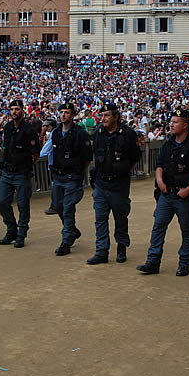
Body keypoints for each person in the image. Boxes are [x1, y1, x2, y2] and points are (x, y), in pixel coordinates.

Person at [136, 109, 189, 276]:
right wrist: (160, 182)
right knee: (158, 227)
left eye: (175, 122)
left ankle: (185, 262)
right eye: (171, 121)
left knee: (187, 229)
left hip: (184, 195)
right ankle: (153, 261)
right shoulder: (168, 143)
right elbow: (160, 164)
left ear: (185, 125)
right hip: (166, 193)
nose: (171, 124)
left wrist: (188, 190)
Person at [87, 101, 140, 265]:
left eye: (107, 115)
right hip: (101, 182)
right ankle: (101, 251)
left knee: (120, 217)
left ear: (116, 117)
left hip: (119, 184)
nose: (103, 118)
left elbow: (135, 158)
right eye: (102, 115)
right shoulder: (99, 132)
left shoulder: (127, 133)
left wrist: (122, 171)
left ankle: (121, 246)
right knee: (100, 218)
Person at [51, 101, 92, 256]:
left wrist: (79, 173)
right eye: (61, 112)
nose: (63, 115)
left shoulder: (80, 133)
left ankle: (66, 240)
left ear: (73, 115)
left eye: (67, 112)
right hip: (58, 175)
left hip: (72, 176)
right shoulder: (55, 133)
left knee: (68, 208)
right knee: (59, 207)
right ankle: (72, 231)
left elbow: (87, 157)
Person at [0, 99, 40, 248]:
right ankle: (11, 229)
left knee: (22, 204)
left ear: (23, 110)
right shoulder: (8, 127)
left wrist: (27, 166)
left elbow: (36, 154)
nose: (14, 111)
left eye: (17, 109)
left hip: (22, 172)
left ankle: (21, 233)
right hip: (7, 171)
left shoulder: (29, 130)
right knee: (2, 202)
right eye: (12, 109)